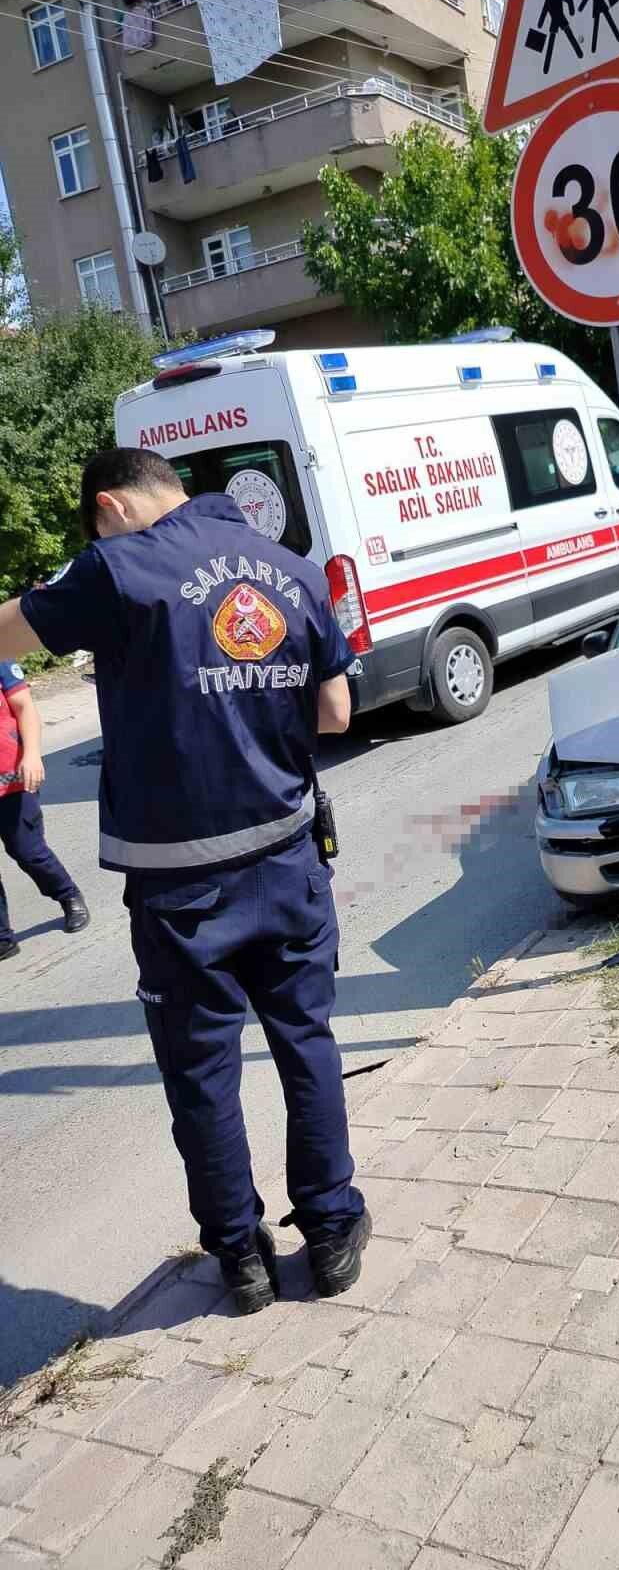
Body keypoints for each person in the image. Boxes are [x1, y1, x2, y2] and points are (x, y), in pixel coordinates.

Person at [0, 449, 369, 1316]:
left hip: (179, 890)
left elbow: (6, 638)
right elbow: (338, 712)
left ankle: (240, 1257)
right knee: (305, 1041)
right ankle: (330, 1231)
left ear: (111, 507)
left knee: (202, 1075)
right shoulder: (294, 571)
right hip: (286, 858)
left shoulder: (118, 568)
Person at [0, 661, 89, 961]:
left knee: (28, 851)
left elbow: (24, 707)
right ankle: (2, 938)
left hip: (13, 779)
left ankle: (69, 896)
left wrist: (33, 755)